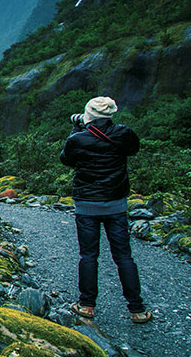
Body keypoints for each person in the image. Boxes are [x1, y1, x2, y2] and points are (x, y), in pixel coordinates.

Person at [60, 96, 153, 323]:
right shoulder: (124, 134)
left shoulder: (78, 139)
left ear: (88, 115)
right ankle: (137, 309)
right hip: (116, 204)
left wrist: (76, 128)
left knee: (89, 255)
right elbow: (133, 149)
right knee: (123, 256)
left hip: (86, 205)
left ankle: (87, 305)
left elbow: (66, 160)